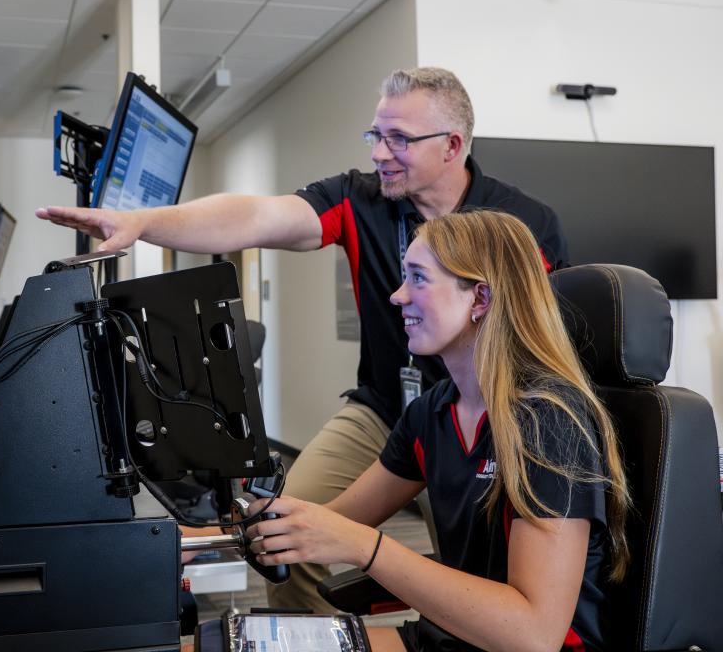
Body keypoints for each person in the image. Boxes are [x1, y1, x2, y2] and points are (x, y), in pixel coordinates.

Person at [37, 67, 569, 609]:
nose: (380, 153)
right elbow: (257, 216)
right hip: (390, 408)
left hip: (490, 421)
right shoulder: (361, 199)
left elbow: (546, 342)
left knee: (481, 581)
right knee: (284, 533)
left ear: (452, 145)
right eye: (375, 136)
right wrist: (145, 223)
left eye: (399, 139)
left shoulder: (523, 225)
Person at [246, 210, 630, 652]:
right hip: (449, 639)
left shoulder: (549, 421)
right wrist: (228, 527)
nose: (397, 296)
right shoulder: (431, 410)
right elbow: (337, 520)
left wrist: (367, 548)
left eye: (418, 279)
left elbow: (533, 633)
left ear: (480, 298)